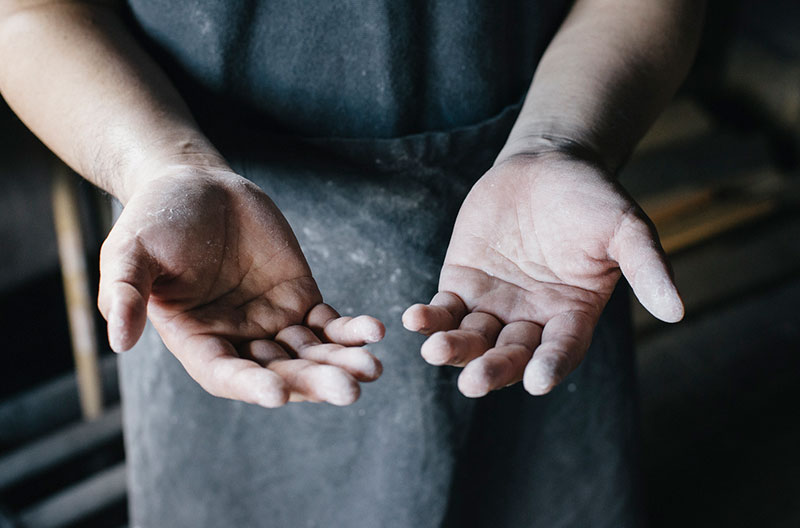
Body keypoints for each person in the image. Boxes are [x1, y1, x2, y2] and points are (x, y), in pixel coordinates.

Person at [0, 0, 704, 526]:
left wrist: (560, 142)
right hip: (209, 257)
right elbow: (27, 14)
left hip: (534, 249)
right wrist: (160, 168)